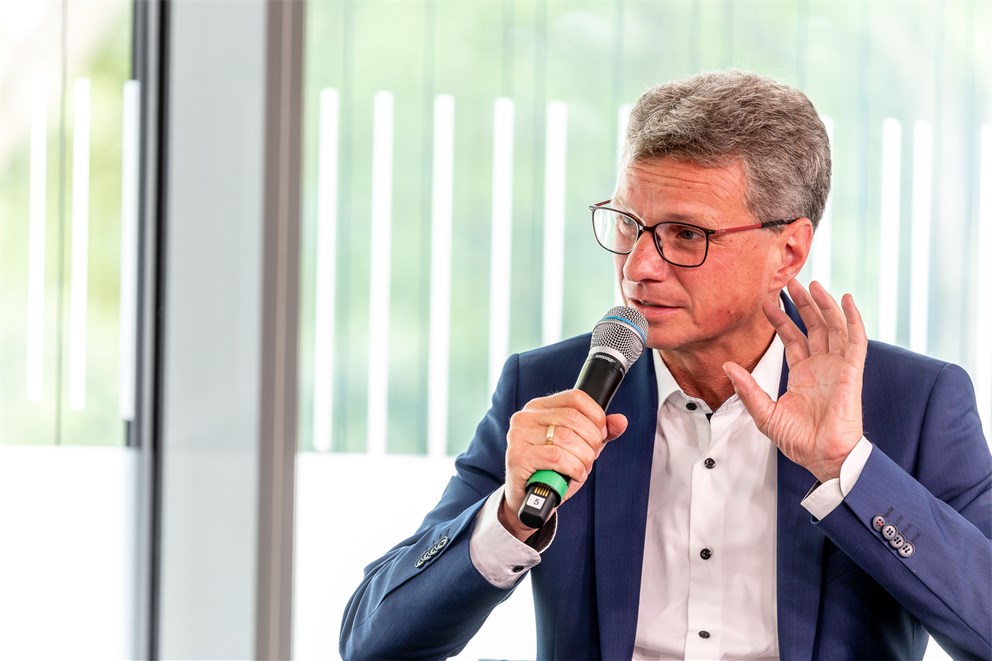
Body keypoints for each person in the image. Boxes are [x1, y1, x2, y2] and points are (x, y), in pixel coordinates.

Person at [339, 70, 992, 660]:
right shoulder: (547, 388)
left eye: (686, 234)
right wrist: (510, 516)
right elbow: (372, 641)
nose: (637, 266)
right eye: (629, 223)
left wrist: (850, 468)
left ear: (788, 250)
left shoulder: (916, 401)